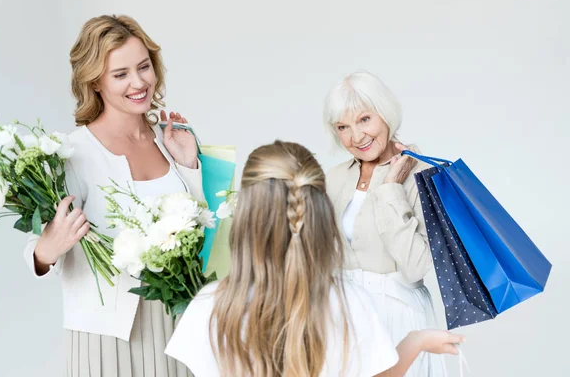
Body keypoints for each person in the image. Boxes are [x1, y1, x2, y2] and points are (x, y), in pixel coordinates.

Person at [165, 141, 463, 377]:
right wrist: (416, 342)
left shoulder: (210, 305)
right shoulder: (348, 303)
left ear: (247, 213)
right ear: (322, 213)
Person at [23, 14, 201, 377]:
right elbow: (38, 251)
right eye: (121, 75)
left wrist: (190, 166)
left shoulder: (172, 139)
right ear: (96, 82)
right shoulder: (74, 153)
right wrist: (46, 251)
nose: (139, 83)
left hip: (178, 321)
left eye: (144, 67)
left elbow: (205, 233)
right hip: (108, 336)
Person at [323, 70, 445, 376]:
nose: (356, 136)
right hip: (340, 319)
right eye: (343, 126)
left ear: (386, 114)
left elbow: (416, 267)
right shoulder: (334, 177)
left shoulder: (426, 176)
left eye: (365, 119)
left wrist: (391, 189)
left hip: (398, 319)